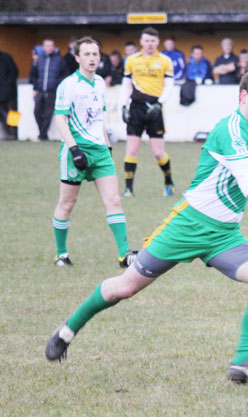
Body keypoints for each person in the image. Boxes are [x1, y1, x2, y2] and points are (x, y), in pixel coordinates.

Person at [45, 68, 248, 384]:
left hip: (224, 235)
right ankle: (67, 330)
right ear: (244, 96)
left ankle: (243, 362)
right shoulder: (231, 131)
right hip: (187, 226)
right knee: (124, 288)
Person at [51, 36, 136, 268]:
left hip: (100, 151)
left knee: (114, 201)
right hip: (75, 151)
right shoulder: (68, 85)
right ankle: (61, 254)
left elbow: (101, 117)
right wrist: (74, 149)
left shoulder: (99, 82)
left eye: (95, 54)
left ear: (100, 57)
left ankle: (124, 254)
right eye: (86, 54)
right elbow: (60, 119)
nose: (91, 58)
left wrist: (107, 144)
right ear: (77, 57)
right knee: (67, 203)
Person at [121, 26, 175, 198]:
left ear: (157, 42)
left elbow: (169, 85)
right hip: (136, 107)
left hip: (155, 107)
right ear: (141, 42)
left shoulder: (165, 60)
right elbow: (126, 84)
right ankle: (128, 189)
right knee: (132, 150)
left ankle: (169, 182)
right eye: (147, 40)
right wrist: (124, 105)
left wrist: (160, 103)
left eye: (153, 41)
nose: (150, 44)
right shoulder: (131, 60)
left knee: (158, 152)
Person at [30, 38, 68, 141]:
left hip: (52, 91)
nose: (50, 48)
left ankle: (42, 136)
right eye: (48, 46)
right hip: (40, 90)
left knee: (48, 113)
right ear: (43, 47)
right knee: (36, 112)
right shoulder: (39, 60)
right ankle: (43, 134)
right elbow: (33, 75)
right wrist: (36, 87)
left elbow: (65, 75)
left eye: (52, 45)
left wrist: (57, 84)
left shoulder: (59, 60)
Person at [0, 49, 18, 139]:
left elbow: (14, 72)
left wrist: (8, 84)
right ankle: (7, 133)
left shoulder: (7, 58)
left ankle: (14, 133)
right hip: (3, 92)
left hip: (10, 92)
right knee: (3, 114)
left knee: (12, 112)